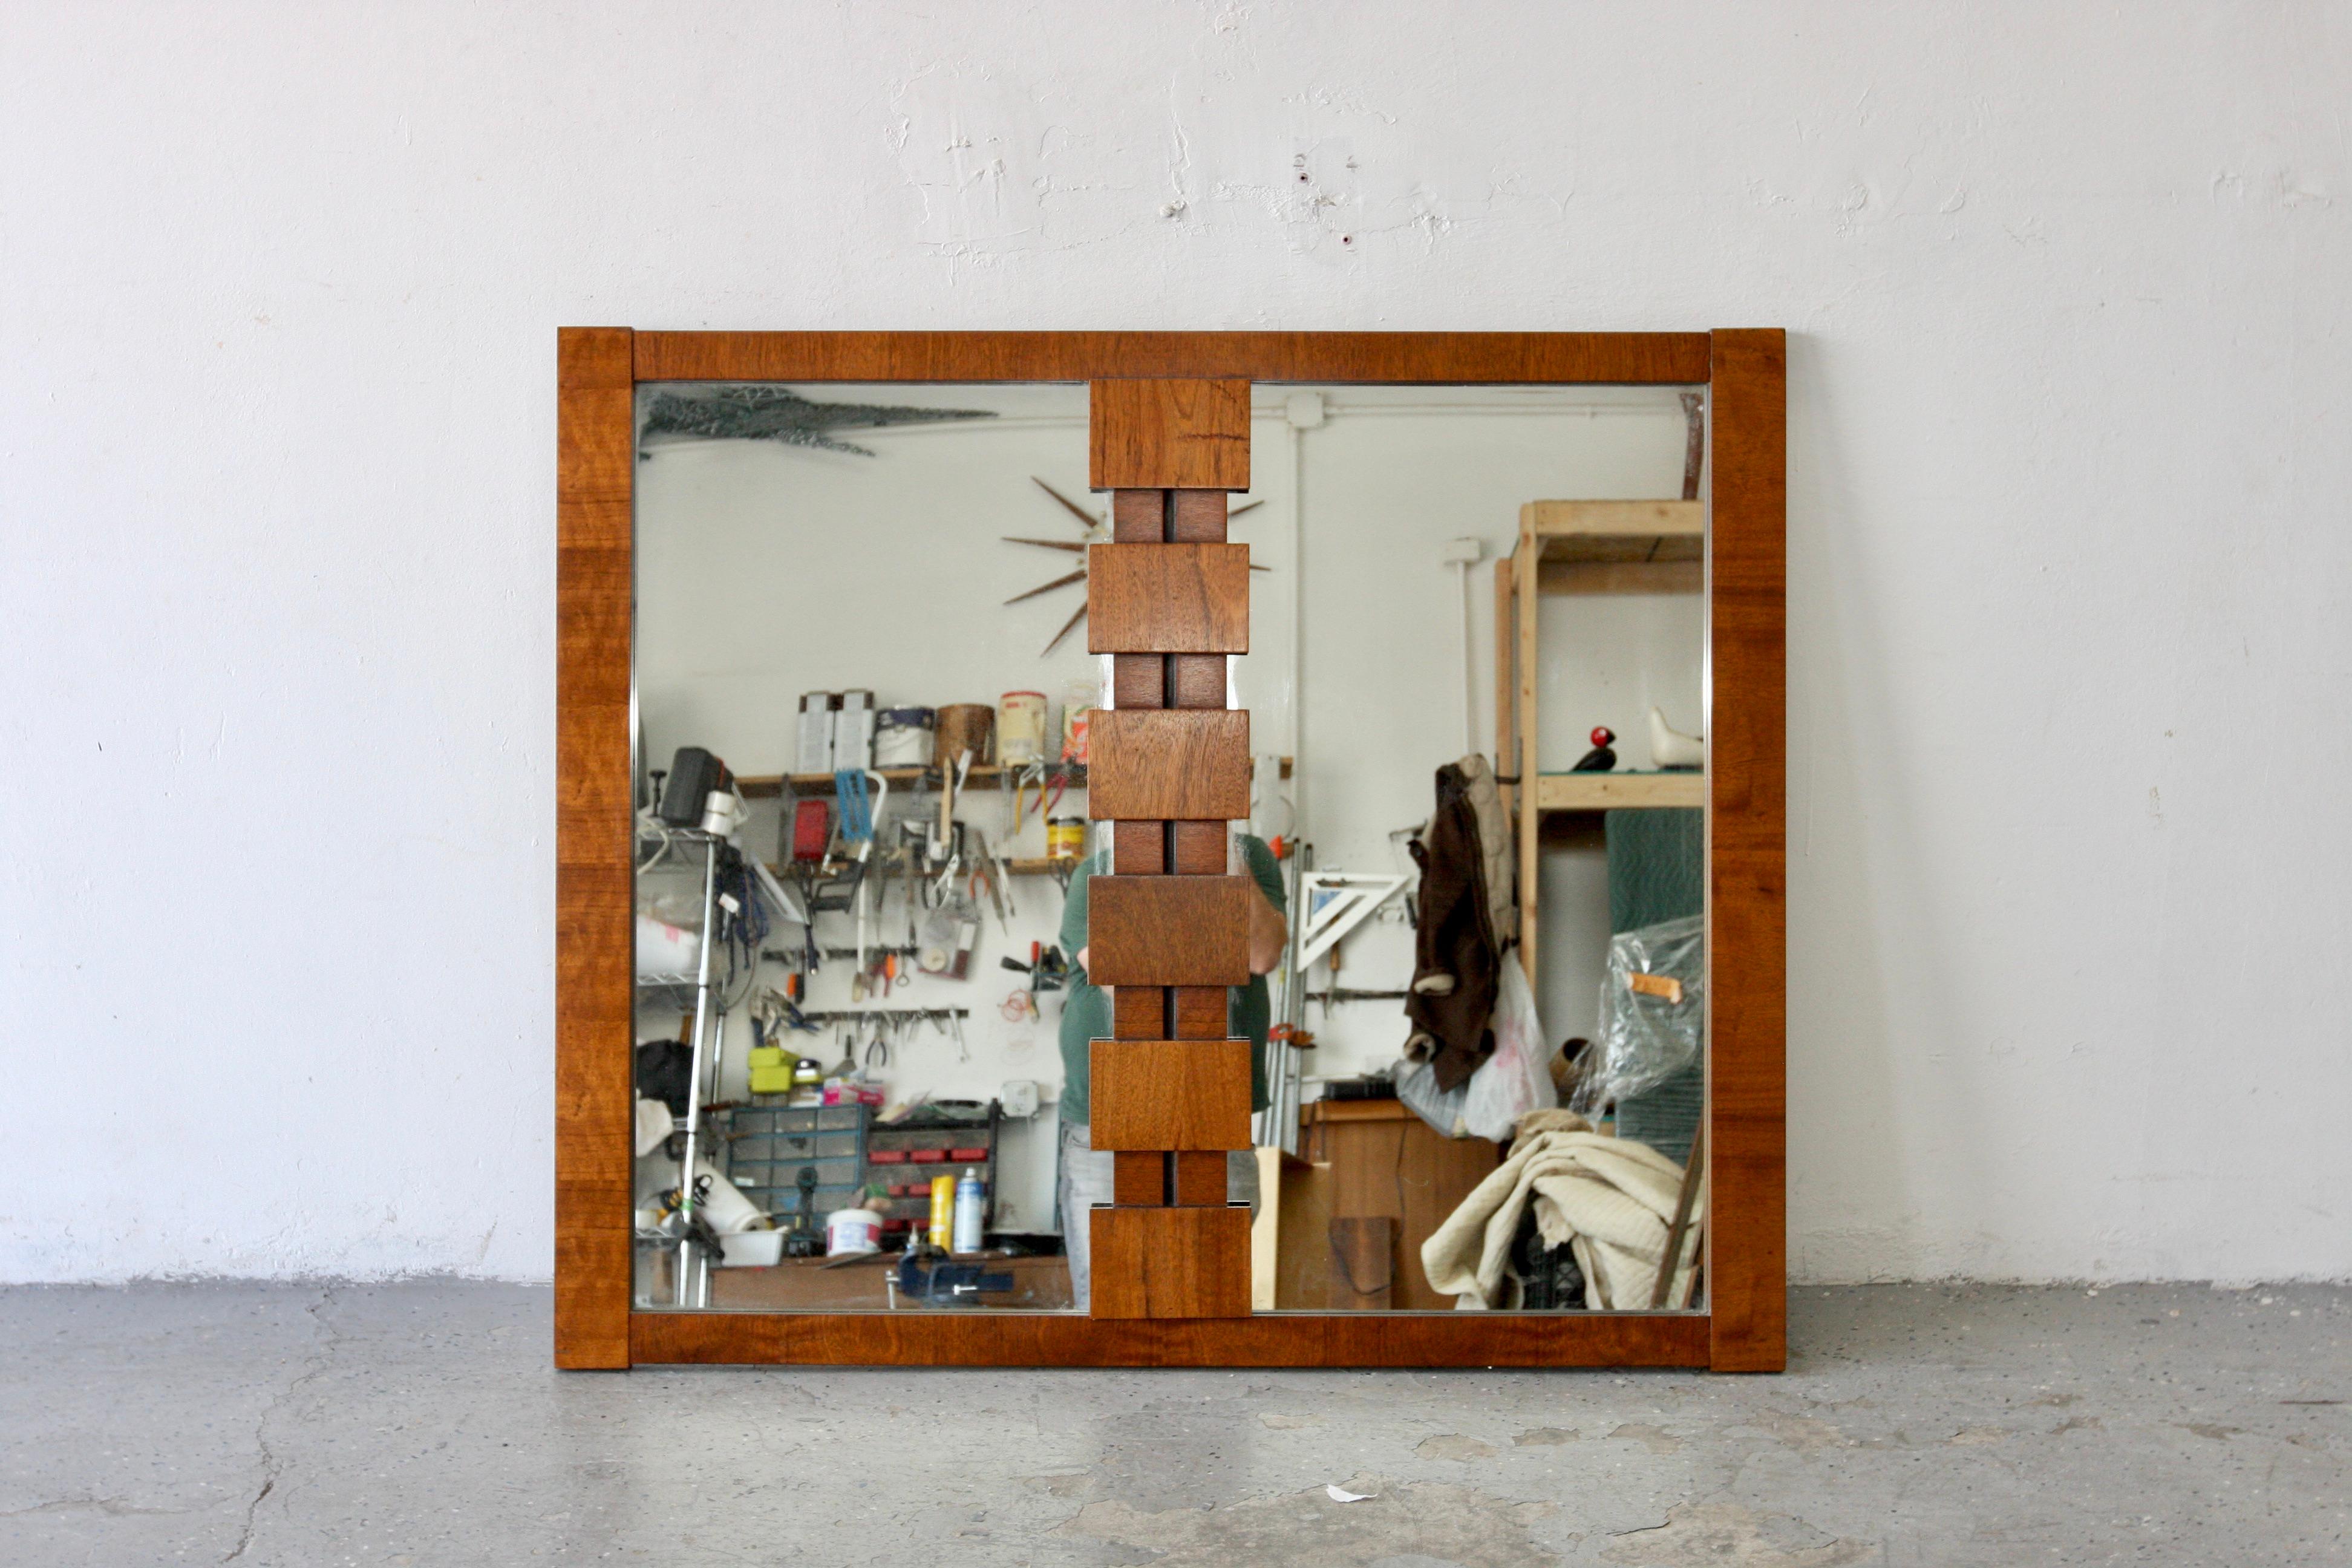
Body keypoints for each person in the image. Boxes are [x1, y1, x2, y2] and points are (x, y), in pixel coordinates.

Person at [1054, 831, 1288, 1308]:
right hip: (1110, 1115)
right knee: (1111, 1298)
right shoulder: (1094, 874)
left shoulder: (1250, 857)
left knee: (1212, 1295)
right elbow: (1132, 985)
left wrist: (1228, 860)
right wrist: (1210, 941)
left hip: (1214, 1105)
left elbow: (1261, 954)